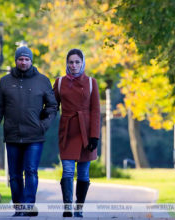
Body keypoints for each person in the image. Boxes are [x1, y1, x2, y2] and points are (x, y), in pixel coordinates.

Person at [0, 46, 58, 217]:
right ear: (16, 61)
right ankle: (19, 208)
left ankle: (28, 206)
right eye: (20, 59)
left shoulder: (43, 81)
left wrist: (44, 125)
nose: (23, 62)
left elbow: (53, 106)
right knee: (15, 175)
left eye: (27, 59)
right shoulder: (5, 82)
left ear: (31, 61)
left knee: (31, 170)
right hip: (12, 136)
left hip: (35, 136)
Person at [53, 49, 101, 217]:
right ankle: (68, 206)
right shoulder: (59, 82)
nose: (73, 65)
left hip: (86, 133)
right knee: (67, 170)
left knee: (83, 173)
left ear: (83, 63)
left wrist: (95, 136)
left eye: (77, 62)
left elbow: (96, 110)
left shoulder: (90, 82)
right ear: (67, 63)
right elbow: (52, 106)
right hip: (67, 131)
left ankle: (79, 208)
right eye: (71, 62)